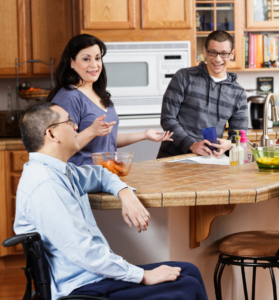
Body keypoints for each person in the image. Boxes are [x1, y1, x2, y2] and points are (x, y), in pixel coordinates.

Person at [14, 102, 208, 300]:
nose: (76, 127)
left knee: (189, 271)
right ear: (52, 134)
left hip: (94, 277)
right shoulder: (44, 184)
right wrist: (142, 276)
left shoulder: (61, 171)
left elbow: (100, 174)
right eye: (69, 121)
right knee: (187, 287)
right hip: (81, 288)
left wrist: (125, 193)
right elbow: (81, 251)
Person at [47, 34, 173, 166]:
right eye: (86, 59)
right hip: (81, 178)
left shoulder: (100, 95)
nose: (94, 64)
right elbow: (62, 146)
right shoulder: (68, 97)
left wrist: (144, 135)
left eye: (97, 58)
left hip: (107, 173)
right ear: (71, 62)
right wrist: (91, 131)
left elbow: (108, 139)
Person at [157, 30, 248, 159]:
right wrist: (192, 145)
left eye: (223, 54)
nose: (217, 59)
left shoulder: (238, 93)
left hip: (210, 162)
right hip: (174, 158)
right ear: (205, 51)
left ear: (231, 54)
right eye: (213, 52)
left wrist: (228, 144)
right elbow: (167, 118)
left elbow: (239, 134)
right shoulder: (184, 77)